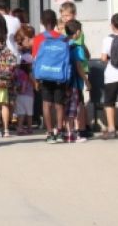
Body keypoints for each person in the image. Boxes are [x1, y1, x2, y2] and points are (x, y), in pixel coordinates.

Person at [32, 10, 67, 144]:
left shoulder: (39, 38)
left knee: (46, 104)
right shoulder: (62, 38)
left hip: (44, 75)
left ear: (41, 21)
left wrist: (35, 78)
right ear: (55, 21)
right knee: (59, 105)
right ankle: (60, 131)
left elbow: (35, 59)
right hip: (59, 75)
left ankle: (50, 133)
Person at [63, 20, 90, 143]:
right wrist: (86, 81)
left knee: (66, 108)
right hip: (75, 83)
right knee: (74, 109)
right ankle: (73, 134)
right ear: (78, 32)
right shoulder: (77, 47)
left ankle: (66, 132)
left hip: (63, 81)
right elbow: (79, 66)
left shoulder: (62, 44)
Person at [100, 13, 118, 139]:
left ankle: (112, 129)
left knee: (109, 102)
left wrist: (109, 58)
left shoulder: (108, 39)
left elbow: (103, 58)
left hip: (112, 75)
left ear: (112, 25)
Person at [14, 26, 36, 135]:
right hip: (29, 94)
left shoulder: (18, 71)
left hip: (20, 94)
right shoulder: (28, 71)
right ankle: (29, 127)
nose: (20, 45)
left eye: (21, 41)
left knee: (21, 112)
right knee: (29, 112)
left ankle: (20, 127)